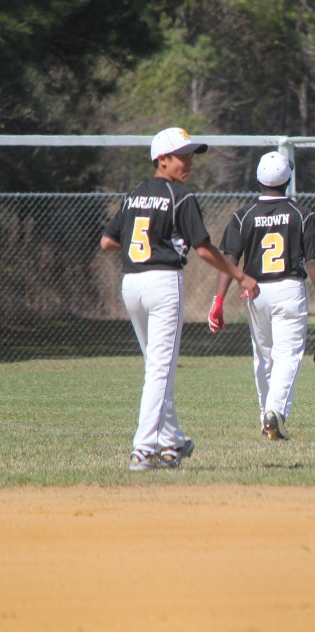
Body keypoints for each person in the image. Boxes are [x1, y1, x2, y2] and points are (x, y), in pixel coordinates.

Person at [100, 127, 260, 471]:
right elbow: (203, 248)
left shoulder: (134, 195)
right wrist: (240, 275)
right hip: (163, 283)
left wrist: (145, 240)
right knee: (160, 369)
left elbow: (107, 243)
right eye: (182, 156)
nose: (189, 162)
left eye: (190, 155)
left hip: (132, 284)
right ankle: (144, 449)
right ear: (162, 160)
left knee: (157, 367)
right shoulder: (180, 196)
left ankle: (171, 443)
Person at [208, 151, 315, 440]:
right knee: (287, 356)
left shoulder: (243, 216)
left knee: (263, 358)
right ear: (288, 180)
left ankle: (266, 417)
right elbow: (314, 260)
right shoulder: (302, 214)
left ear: (258, 179)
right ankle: (274, 412)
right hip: (289, 289)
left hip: (255, 291)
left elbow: (229, 258)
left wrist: (217, 301)